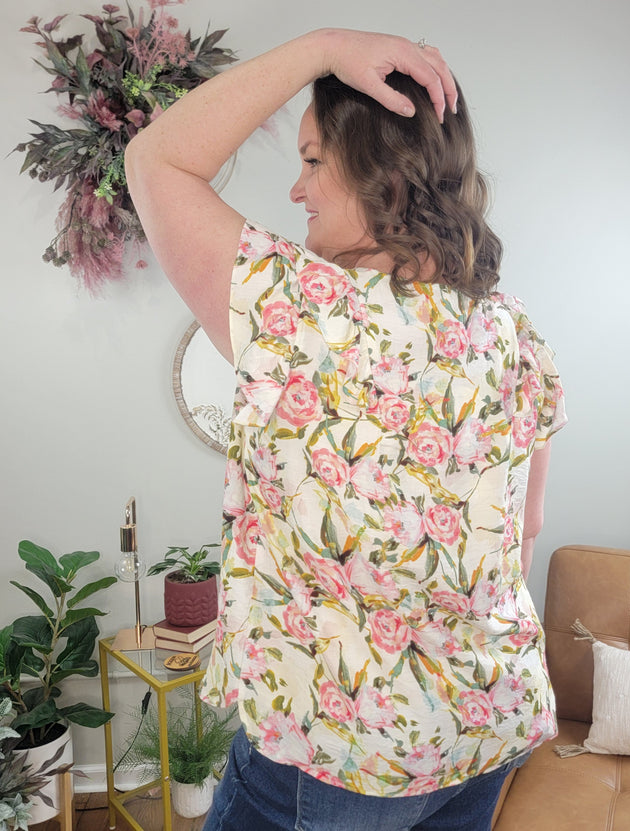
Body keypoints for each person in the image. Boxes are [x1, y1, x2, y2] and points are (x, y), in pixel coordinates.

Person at [126, 28, 567, 831]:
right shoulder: (515, 335)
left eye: (310, 160)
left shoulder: (293, 307)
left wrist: (322, 49)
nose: (295, 190)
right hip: (485, 722)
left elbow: (154, 160)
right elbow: (523, 533)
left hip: (340, 751)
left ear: (378, 172)